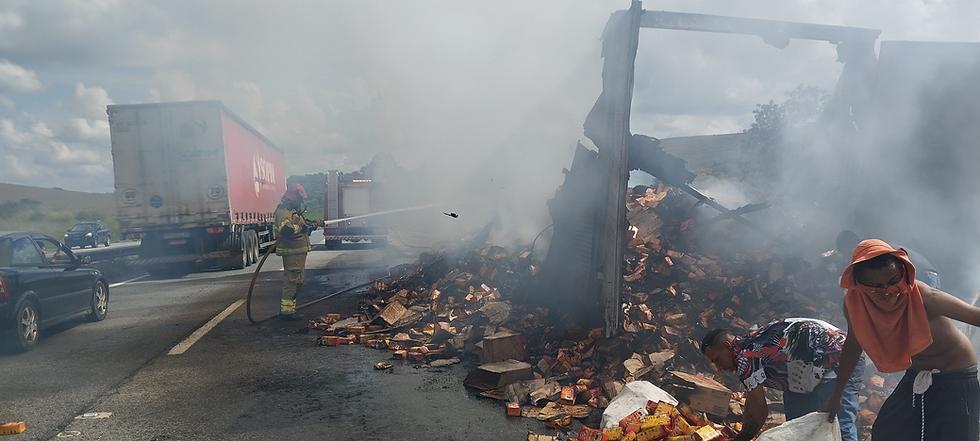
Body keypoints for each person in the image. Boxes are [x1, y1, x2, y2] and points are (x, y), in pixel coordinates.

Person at [821, 239, 980, 440]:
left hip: (957, 376)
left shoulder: (924, 296)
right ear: (859, 285)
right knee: (888, 430)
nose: (888, 291)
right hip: (916, 373)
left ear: (903, 273)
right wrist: (837, 396)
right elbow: (853, 345)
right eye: (876, 287)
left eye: (893, 281)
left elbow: (976, 316)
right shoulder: (854, 304)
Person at [701, 318, 863, 441]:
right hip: (805, 374)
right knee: (799, 430)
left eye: (716, 360)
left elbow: (760, 413)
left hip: (839, 359)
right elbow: (752, 402)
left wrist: (740, 439)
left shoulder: (745, 356)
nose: (719, 367)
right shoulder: (749, 347)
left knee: (839, 428)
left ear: (727, 346)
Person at [836, 230, 941, 289]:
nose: (846, 255)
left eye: (844, 250)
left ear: (849, 245)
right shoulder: (870, 250)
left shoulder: (873, 251)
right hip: (920, 277)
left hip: (925, 276)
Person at [273, 183, 316, 320]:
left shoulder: (293, 211)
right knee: (292, 281)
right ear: (294, 198)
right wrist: (301, 229)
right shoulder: (285, 211)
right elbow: (286, 230)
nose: (301, 202)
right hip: (292, 252)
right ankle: (286, 313)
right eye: (300, 198)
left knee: (297, 281)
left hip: (296, 252)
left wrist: (309, 226)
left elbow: (298, 225)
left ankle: (289, 311)